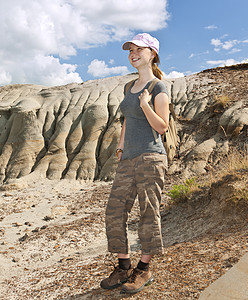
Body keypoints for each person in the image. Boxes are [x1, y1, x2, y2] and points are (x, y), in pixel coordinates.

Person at [100, 33, 170, 294]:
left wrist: (146, 105)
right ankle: (123, 266)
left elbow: (161, 127)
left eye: (139, 49)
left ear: (152, 54)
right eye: (130, 49)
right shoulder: (128, 88)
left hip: (151, 157)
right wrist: (120, 146)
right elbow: (127, 120)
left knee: (148, 213)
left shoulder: (158, 89)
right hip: (128, 158)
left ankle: (143, 270)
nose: (133, 53)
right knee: (114, 210)